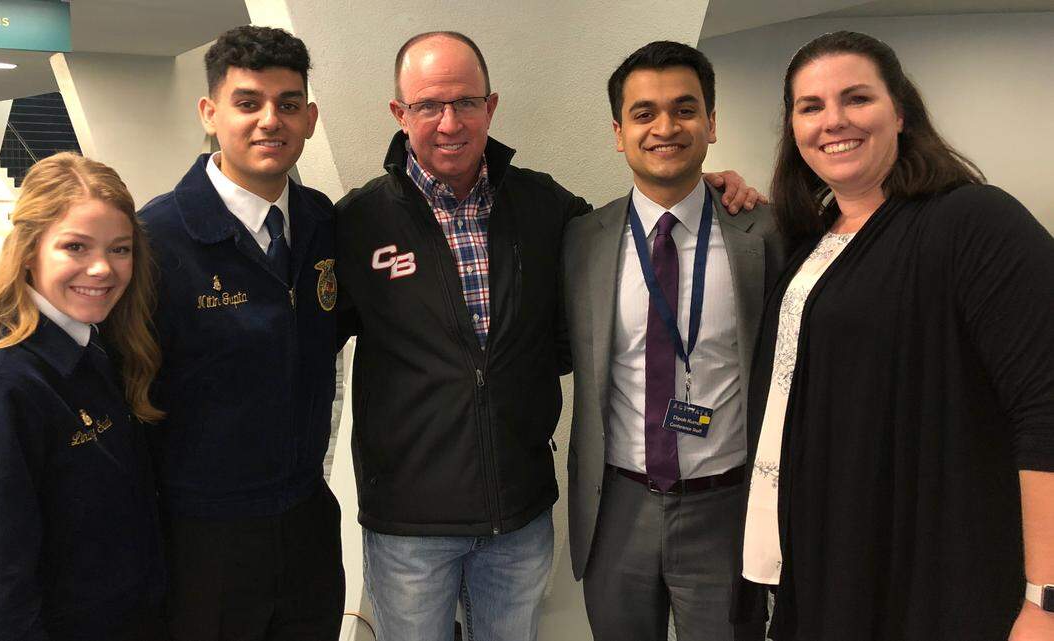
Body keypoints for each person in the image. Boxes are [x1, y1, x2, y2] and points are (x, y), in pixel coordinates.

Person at [335, 31, 763, 641]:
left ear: (492, 106)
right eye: (429, 106)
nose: (449, 121)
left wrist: (717, 191)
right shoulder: (355, 222)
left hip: (519, 514)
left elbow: (572, 342)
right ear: (400, 115)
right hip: (409, 524)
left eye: (466, 102)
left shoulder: (553, 213)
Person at [740, 31, 1054, 641]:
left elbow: (1046, 410)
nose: (833, 121)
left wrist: (1044, 600)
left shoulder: (973, 221)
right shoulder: (813, 240)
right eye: (810, 107)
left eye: (856, 99)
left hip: (930, 575)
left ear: (901, 111)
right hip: (827, 569)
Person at [563, 41, 786, 641]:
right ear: (619, 132)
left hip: (725, 506)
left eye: (685, 109)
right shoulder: (582, 239)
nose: (665, 127)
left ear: (711, 123)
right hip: (617, 508)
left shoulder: (764, 233)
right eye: (644, 113)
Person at [139, 25, 343, 640]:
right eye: (247, 103)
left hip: (306, 516)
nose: (268, 122)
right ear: (210, 113)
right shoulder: (158, 239)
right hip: (206, 534)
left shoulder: (319, 224)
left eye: (286, 104)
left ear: (309, 117)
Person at [0, 152, 166, 640]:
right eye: (75, 247)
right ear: (29, 250)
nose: (102, 269)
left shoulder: (94, 346)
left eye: (120, 249)